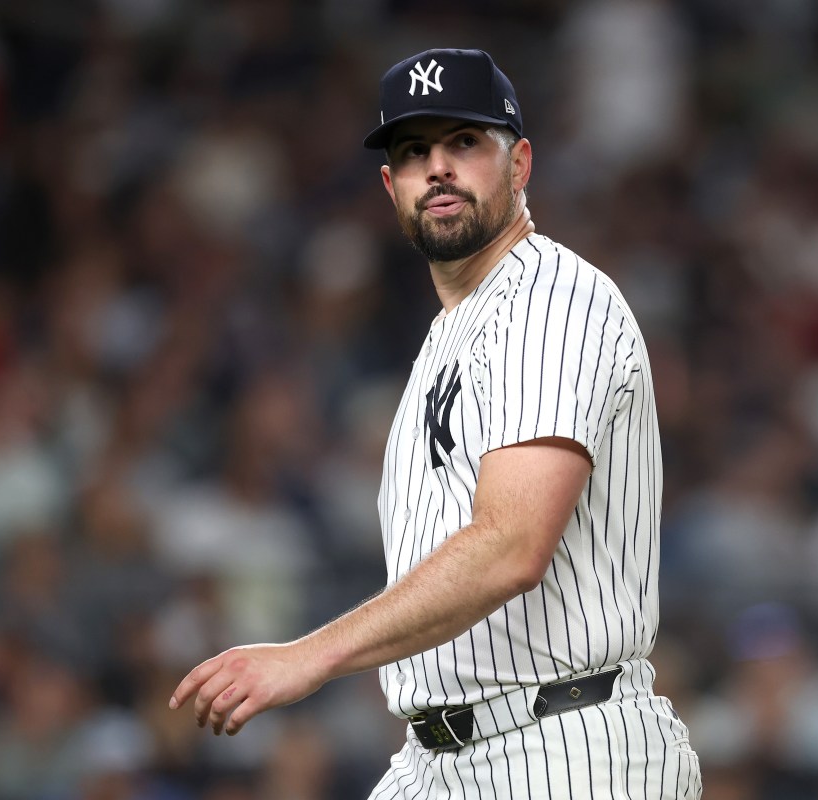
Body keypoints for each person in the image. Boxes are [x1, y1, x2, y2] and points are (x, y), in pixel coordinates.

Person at [169, 47, 701, 799]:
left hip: (564, 750)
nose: (438, 168)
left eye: (464, 142)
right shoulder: (446, 337)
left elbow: (513, 545)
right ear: (392, 186)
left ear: (519, 164)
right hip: (439, 759)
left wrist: (308, 655)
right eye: (415, 151)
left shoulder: (551, 300)